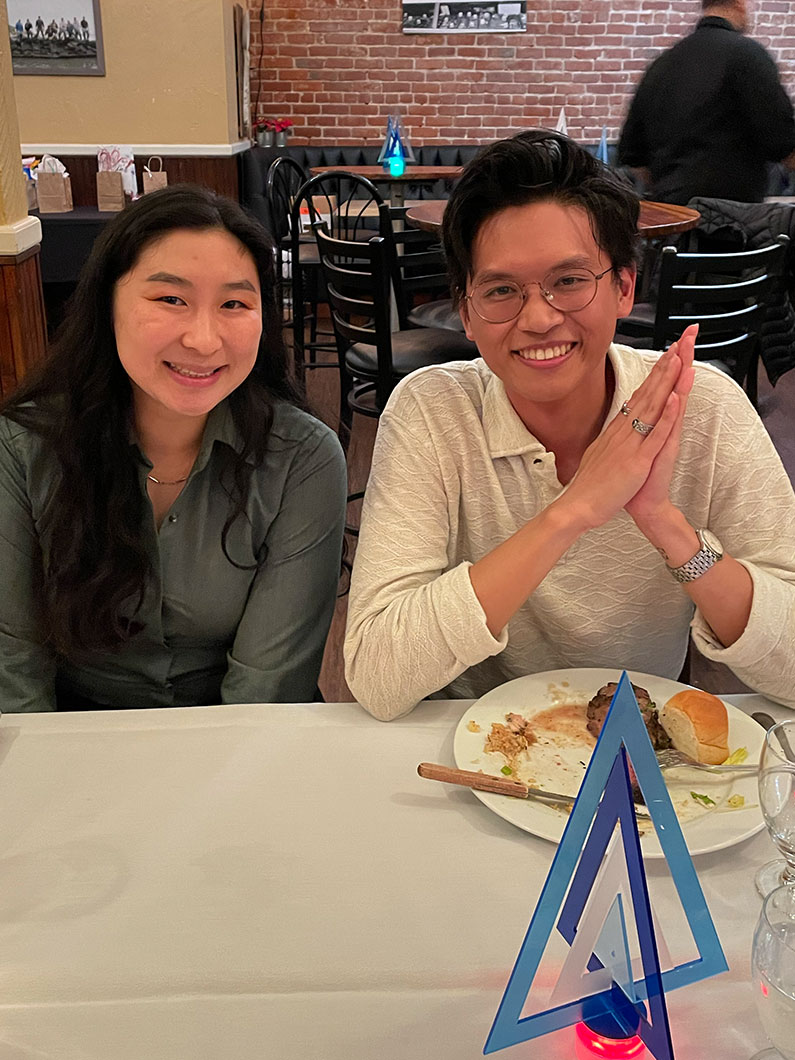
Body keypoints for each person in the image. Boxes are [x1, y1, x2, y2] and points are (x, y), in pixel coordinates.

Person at [344, 130, 795, 721]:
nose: (537, 318)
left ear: (624, 287)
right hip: (472, 749)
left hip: (639, 752)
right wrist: (573, 511)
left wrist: (666, 526)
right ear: (467, 312)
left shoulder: (703, 405)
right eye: (502, 290)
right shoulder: (432, 412)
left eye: (569, 281)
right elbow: (377, 674)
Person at [0, 185, 347, 711]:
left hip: (239, 743)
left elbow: (267, 688)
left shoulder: (303, 458)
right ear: (107, 302)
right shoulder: (24, 447)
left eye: (234, 303)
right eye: (170, 299)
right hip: (71, 743)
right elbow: (14, 671)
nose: (204, 340)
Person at [617, 0, 795, 204]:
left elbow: (633, 157)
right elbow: (784, 143)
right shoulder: (748, 56)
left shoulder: (661, 65)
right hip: (732, 221)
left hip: (674, 220)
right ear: (740, 4)